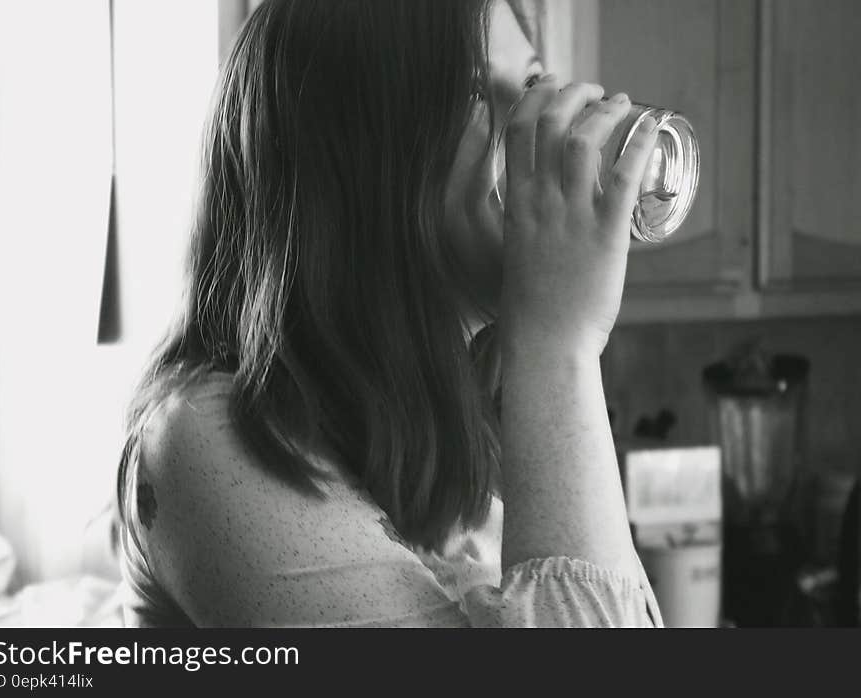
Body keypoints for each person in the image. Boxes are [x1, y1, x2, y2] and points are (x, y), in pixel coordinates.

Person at [116, 0, 663, 628]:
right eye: (476, 93)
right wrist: (559, 346)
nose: (536, 132)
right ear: (356, 159)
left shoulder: (470, 421)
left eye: (533, 84)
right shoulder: (207, 442)